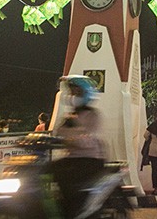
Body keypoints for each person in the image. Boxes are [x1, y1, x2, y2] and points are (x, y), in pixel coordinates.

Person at [52, 76, 105, 219]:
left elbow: (85, 140)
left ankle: (74, 211)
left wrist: (70, 134)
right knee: (47, 170)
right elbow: (58, 133)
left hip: (90, 160)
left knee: (69, 184)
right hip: (72, 158)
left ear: (85, 94)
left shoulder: (92, 115)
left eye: (77, 92)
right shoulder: (70, 116)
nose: (73, 96)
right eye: (72, 92)